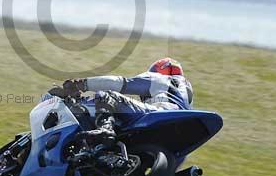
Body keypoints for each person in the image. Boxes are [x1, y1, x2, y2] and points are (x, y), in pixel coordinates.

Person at [52, 57, 194, 147]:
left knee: (107, 96)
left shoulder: (160, 78)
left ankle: (105, 129)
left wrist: (81, 85)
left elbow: (120, 83)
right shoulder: (186, 95)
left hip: (157, 113)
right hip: (179, 129)